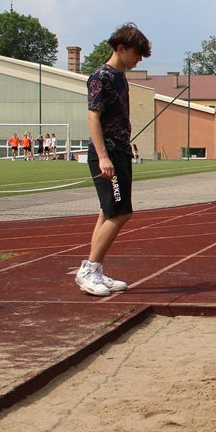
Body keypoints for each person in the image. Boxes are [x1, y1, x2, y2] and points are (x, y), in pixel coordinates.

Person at [76, 22, 151, 296]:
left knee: (107, 212)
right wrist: (103, 157)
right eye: (136, 53)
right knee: (121, 213)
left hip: (120, 150)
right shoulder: (101, 77)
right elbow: (93, 117)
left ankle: (94, 270)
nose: (139, 59)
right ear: (121, 48)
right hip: (106, 153)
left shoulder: (120, 77)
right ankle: (89, 270)